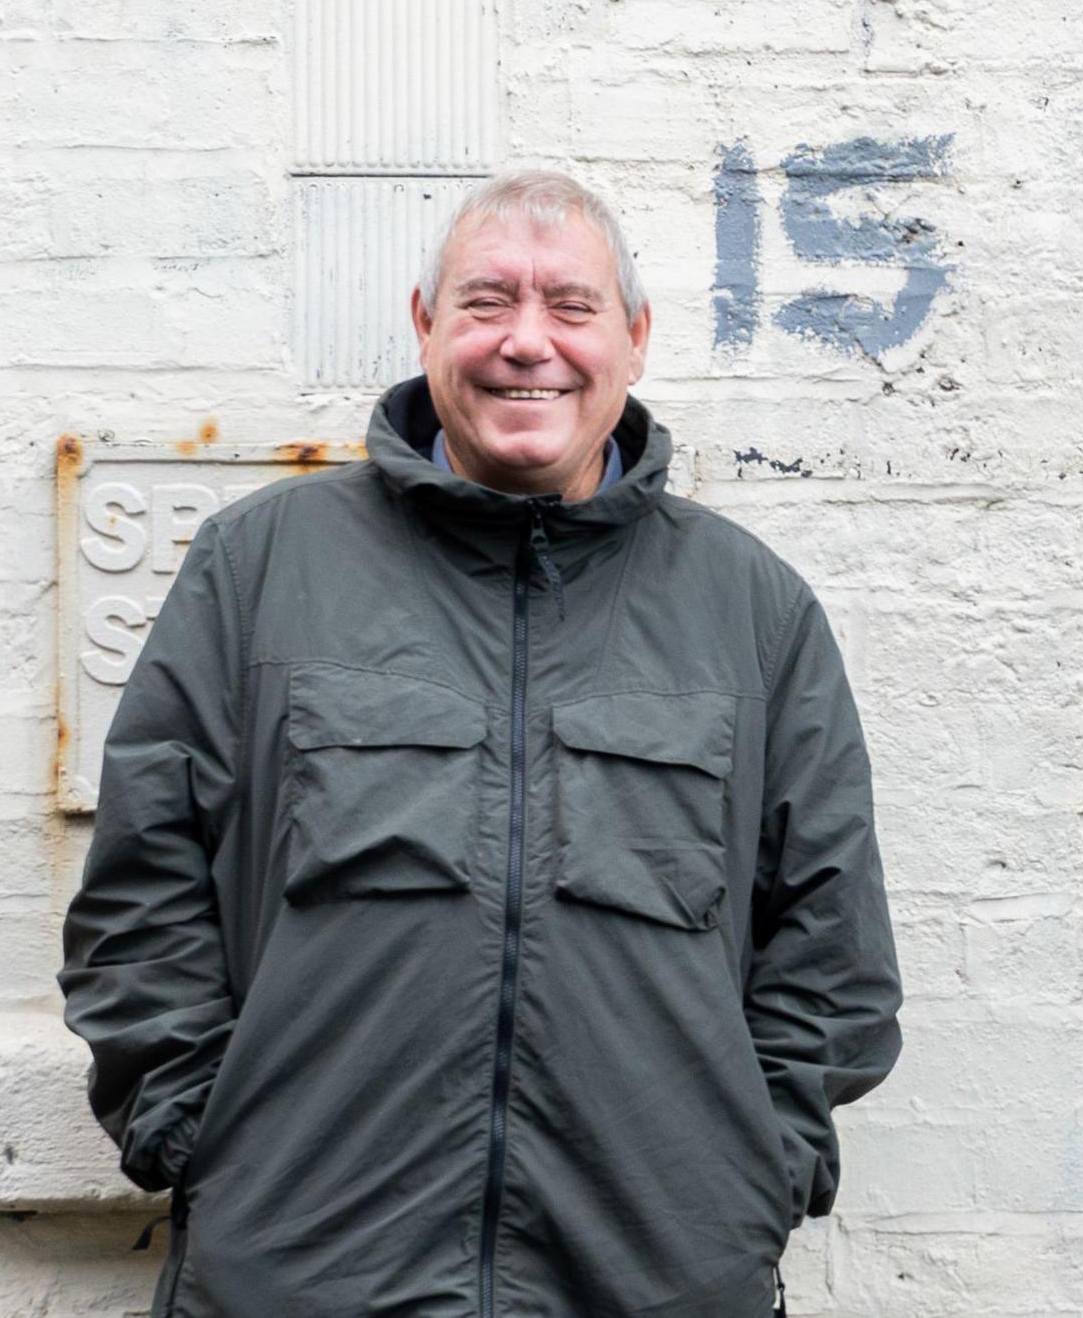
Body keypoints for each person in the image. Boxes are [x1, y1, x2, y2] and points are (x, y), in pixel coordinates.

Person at [60, 169, 902, 1318]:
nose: (526, 343)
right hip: (301, 1272)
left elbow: (832, 947)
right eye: (485, 302)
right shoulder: (258, 571)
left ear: (635, 339)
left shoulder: (751, 611)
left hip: (651, 1277)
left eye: (570, 306)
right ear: (425, 327)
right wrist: (201, 1139)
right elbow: (139, 891)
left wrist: (750, 1173)